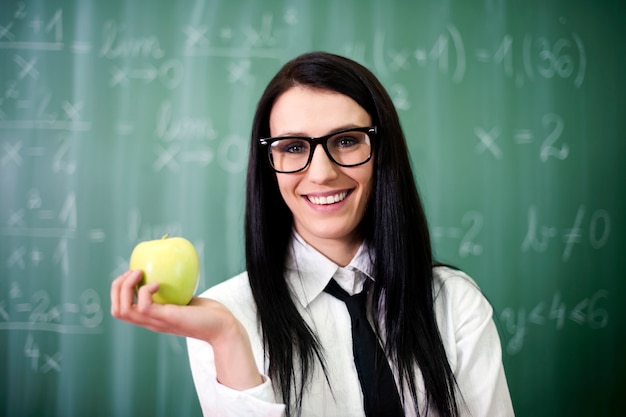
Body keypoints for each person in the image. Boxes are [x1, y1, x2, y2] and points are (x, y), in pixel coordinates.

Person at [111, 51, 514, 417]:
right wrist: (227, 340)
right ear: (269, 164)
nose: (321, 173)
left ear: (382, 152)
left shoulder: (454, 303)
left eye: (346, 141)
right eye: (293, 147)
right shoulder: (222, 316)